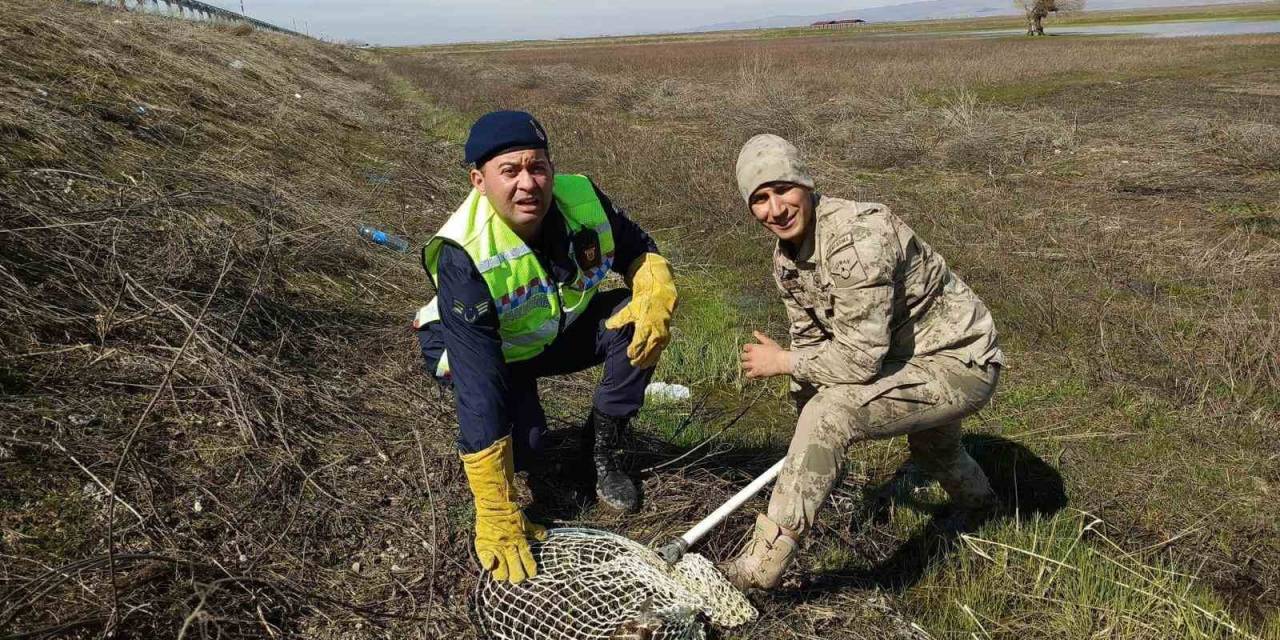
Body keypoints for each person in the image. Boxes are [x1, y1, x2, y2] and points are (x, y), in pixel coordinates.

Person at [721, 134, 1005, 590]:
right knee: (934, 448)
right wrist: (807, 444)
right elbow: (810, 337)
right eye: (759, 199)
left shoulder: (856, 238)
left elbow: (856, 361)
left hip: (959, 361)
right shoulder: (788, 260)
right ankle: (983, 509)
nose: (775, 209)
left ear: (806, 184)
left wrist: (788, 367)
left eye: (783, 190)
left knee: (830, 414)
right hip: (906, 361)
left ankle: (760, 569)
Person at [413, 111, 678, 584]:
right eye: (509, 172)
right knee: (528, 451)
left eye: (537, 167)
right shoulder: (463, 253)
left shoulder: (580, 196)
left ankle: (603, 449)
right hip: (486, 351)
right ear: (479, 180)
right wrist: (495, 509)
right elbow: (480, 388)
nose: (528, 184)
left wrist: (653, 284)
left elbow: (637, 246)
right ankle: (513, 465)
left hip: (547, 330)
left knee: (634, 317)